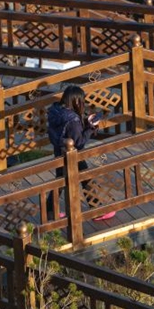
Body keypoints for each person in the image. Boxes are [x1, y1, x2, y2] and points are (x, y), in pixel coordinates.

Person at [46, 86, 115, 221]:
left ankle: (49, 212)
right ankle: (96, 210)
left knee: (60, 180)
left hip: (58, 151)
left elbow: (65, 131)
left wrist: (83, 123)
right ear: (77, 101)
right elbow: (79, 142)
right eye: (82, 101)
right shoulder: (73, 120)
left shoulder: (55, 111)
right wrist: (90, 128)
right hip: (73, 154)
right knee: (85, 178)